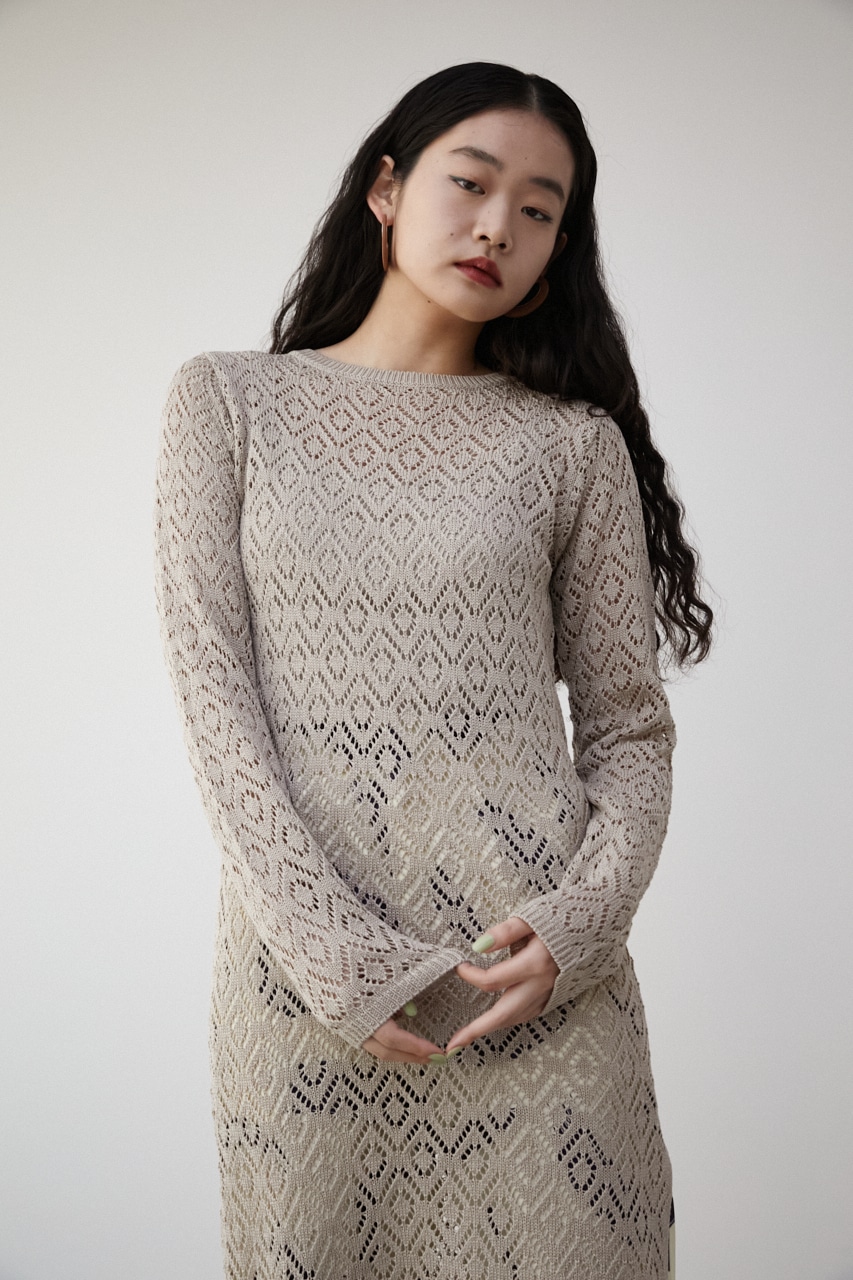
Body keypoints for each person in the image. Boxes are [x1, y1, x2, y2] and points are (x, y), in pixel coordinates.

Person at [153, 60, 711, 1280]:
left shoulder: (569, 447)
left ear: (557, 250)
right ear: (386, 188)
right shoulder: (228, 407)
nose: (497, 225)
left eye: (538, 209)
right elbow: (215, 705)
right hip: (311, 997)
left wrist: (577, 926)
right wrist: (342, 961)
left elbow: (629, 729)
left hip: (534, 990)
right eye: (471, 182)